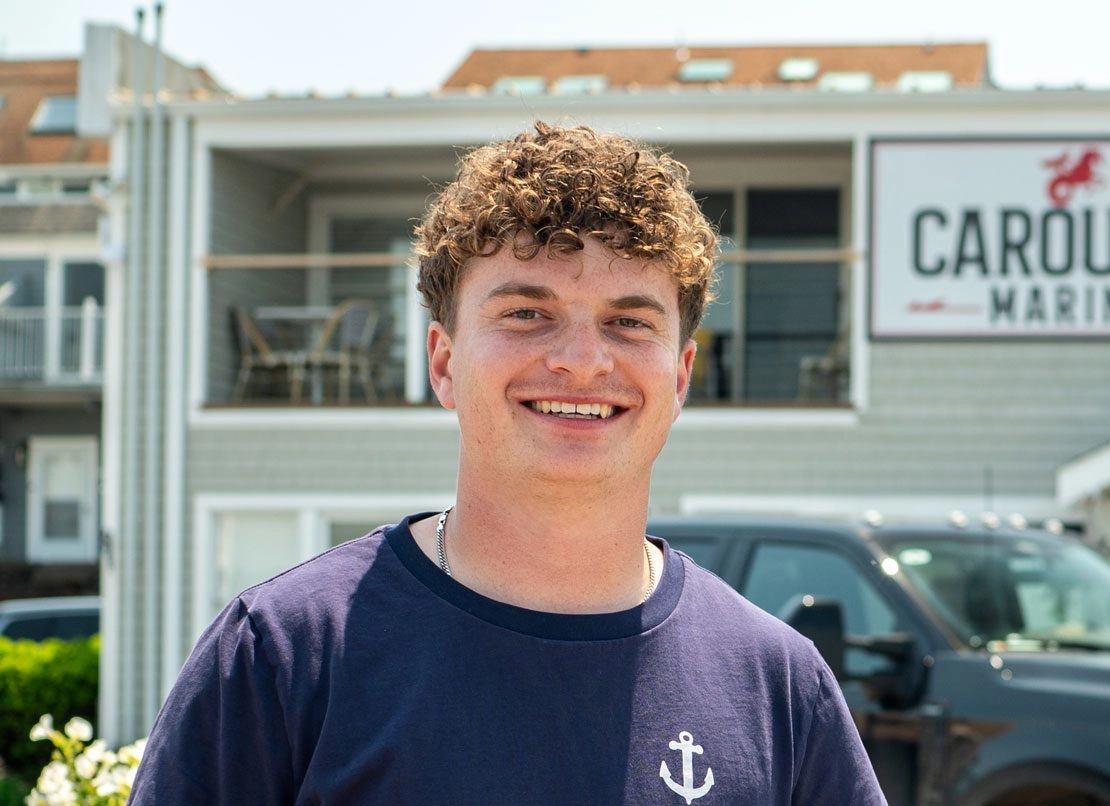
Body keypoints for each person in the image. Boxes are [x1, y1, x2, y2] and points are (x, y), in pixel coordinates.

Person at [130, 122, 885, 804]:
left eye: (628, 322)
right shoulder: (282, 657)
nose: (583, 361)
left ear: (681, 375)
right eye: (528, 313)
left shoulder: (778, 688)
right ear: (444, 362)